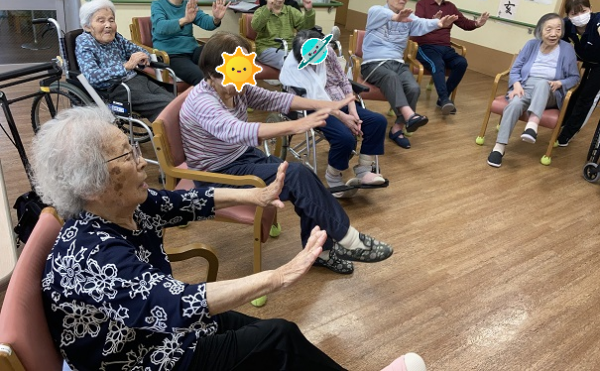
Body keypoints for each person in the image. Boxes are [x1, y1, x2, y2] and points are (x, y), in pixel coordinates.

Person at [32, 106, 426, 370]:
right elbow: (176, 304)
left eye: (134, 147)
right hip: (136, 358)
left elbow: (186, 202)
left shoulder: (122, 205)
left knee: (262, 333)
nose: (141, 161)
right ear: (93, 185)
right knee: (277, 338)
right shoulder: (92, 257)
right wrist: (278, 276)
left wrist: (256, 196)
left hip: (154, 329)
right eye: (127, 155)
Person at [180, 32, 394, 274]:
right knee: (297, 176)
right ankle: (350, 240)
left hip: (241, 157)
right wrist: (296, 125)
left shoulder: (235, 87)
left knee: (306, 179)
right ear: (212, 72)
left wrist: (327, 106)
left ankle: (322, 251)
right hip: (216, 175)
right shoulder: (203, 101)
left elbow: (276, 99)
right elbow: (238, 131)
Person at [280, 29, 387, 198]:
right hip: (316, 108)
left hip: (341, 102)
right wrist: (343, 117)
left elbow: (344, 81)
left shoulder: (328, 52)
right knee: (345, 138)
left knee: (378, 121)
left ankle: (364, 169)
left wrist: (352, 110)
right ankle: (333, 175)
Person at [361, 0, 458, 149]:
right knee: (391, 77)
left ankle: (397, 129)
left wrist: (438, 23)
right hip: (373, 64)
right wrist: (396, 17)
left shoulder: (408, 17)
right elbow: (385, 15)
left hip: (397, 63)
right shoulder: (375, 11)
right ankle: (409, 116)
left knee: (413, 88)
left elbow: (421, 23)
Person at [486, 13, 580, 168]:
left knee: (543, 84)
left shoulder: (567, 49)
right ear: (540, 30)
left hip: (550, 91)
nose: (554, 33)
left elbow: (574, 77)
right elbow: (515, 69)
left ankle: (532, 125)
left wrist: (560, 82)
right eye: (549, 29)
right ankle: (499, 147)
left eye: (558, 29)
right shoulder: (531, 45)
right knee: (515, 104)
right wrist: (516, 84)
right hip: (525, 86)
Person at [75, 0, 174, 122]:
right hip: (117, 88)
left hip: (138, 79)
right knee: (165, 107)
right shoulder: (84, 42)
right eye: (101, 21)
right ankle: (168, 132)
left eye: (111, 20)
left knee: (174, 102)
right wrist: (126, 66)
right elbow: (92, 76)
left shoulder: (116, 37)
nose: (108, 25)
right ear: (87, 27)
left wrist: (143, 57)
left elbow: (139, 50)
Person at [413, 0, 489, 115]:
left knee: (461, 63)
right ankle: (444, 99)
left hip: (445, 48)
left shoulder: (450, 7)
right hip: (425, 46)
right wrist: (432, 22)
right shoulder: (422, 4)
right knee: (438, 63)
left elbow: (464, 23)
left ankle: (443, 99)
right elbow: (416, 26)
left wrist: (477, 23)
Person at [151, 0, 228, 86]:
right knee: (201, 77)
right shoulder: (158, 5)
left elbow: (206, 22)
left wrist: (216, 18)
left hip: (193, 51)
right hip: (172, 55)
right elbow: (161, 27)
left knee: (224, 56)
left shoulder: (189, 5)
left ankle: (231, 96)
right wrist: (185, 20)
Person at [556, 0, 600, 147]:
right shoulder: (566, 25)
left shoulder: (597, 21)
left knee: (587, 98)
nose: (579, 16)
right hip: (585, 60)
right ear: (568, 15)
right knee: (574, 93)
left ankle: (567, 135)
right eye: (574, 14)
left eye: (583, 11)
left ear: (590, 9)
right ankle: (562, 123)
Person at [252, 0, 315, 70]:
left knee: (311, 58)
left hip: (289, 49)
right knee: (291, 61)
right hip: (267, 49)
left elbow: (306, 27)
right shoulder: (261, 11)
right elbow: (256, 26)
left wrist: (309, 10)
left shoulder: (290, 11)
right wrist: (268, 8)